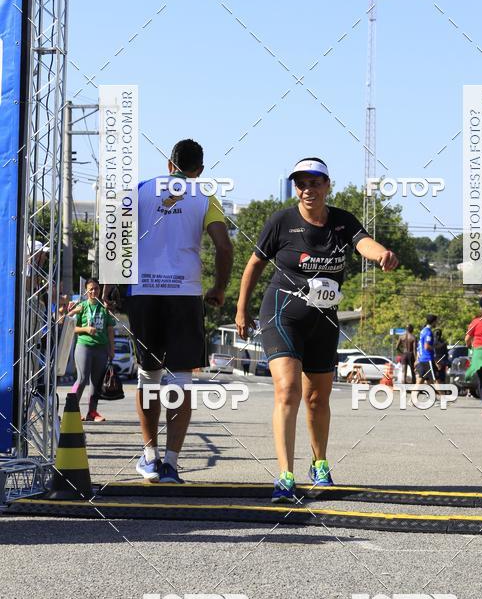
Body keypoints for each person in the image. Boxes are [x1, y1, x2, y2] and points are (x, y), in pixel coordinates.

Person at [235, 157, 398, 504]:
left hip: (323, 320)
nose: (308, 189)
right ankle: (285, 475)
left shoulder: (342, 221)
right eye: (301, 184)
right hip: (282, 315)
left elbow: (363, 242)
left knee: (317, 398)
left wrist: (381, 254)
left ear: (327, 186)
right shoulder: (281, 222)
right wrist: (241, 309)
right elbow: (254, 265)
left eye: (315, 183)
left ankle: (319, 463)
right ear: (295, 188)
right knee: (288, 391)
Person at [112, 139, 233, 484]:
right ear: (200, 170)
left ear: (169, 164)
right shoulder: (205, 195)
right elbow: (224, 247)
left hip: (143, 292)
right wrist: (219, 287)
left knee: (148, 376)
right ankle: (171, 464)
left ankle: (149, 457)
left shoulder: (140, 190)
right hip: (185, 293)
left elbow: (115, 237)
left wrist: (113, 284)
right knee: (181, 379)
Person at [70, 277, 115, 422]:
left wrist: (112, 349)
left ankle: (92, 412)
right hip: (84, 346)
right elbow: (71, 328)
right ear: (86, 291)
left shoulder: (104, 308)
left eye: (96, 288)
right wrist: (86, 329)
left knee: (96, 382)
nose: (94, 291)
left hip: (101, 348)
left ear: (100, 290)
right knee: (82, 379)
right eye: (91, 289)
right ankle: (72, 410)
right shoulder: (81, 306)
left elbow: (110, 330)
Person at [415, 314, 438, 384]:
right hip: (428, 359)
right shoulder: (428, 332)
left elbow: (420, 346)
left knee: (421, 382)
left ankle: (412, 392)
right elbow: (426, 346)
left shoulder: (423, 331)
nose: (436, 323)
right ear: (433, 322)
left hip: (422, 359)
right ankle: (442, 393)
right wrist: (435, 347)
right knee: (436, 381)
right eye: (436, 321)